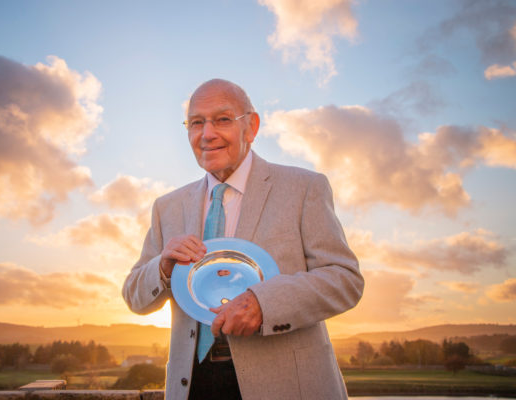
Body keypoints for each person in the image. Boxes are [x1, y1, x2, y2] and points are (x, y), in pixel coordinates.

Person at [122, 79, 364, 400]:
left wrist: (266, 304)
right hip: (193, 387)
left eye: (222, 119)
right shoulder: (167, 207)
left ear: (251, 127)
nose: (207, 134)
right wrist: (162, 268)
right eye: (196, 123)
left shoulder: (304, 187)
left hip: (286, 387)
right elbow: (134, 297)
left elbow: (345, 280)